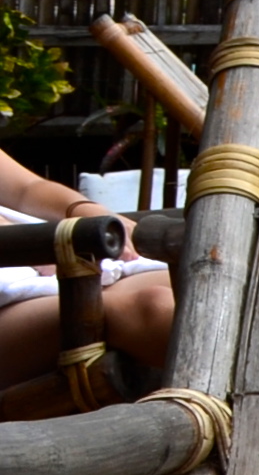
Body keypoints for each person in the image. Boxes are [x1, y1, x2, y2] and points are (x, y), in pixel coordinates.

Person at [0, 147, 171, 398]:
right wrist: (27, 244)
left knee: (193, 280)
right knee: (149, 307)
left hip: (52, 264)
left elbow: (28, 188)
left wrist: (89, 212)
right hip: (15, 291)